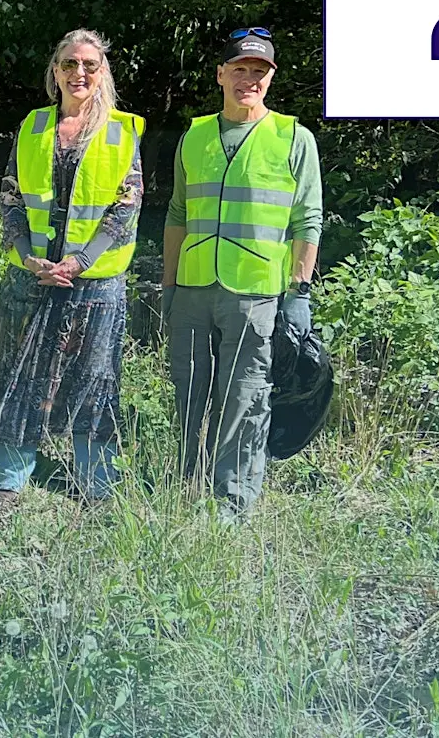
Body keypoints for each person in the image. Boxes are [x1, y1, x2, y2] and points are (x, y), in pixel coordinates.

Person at [0, 30, 145, 503]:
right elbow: (10, 194)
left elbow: (127, 203)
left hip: (95, 280)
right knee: (18, 369)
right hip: (32, 274)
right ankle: (9, 478)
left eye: (89, 64)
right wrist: (28, 253)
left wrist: (80, 260)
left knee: (94, 377)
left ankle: (96, 482)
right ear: (56, 72)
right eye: (69, 64)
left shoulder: (120, 130)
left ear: (103, 71)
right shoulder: (32, 126)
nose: (79, 73)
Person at [164, 28, 322, 520]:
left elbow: (307, 219)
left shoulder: (294, 138)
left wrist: (299, 291)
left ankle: (234, 501)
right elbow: (176, 213)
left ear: (270, 80)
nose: (248, 79)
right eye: (240, 69)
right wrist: (168, 286)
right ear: (221, 74)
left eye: (259, 72)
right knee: (189, 391)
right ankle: (186, 482)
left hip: (256, 293)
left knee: (245, 396)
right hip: (192, 289)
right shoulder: (195, 135)